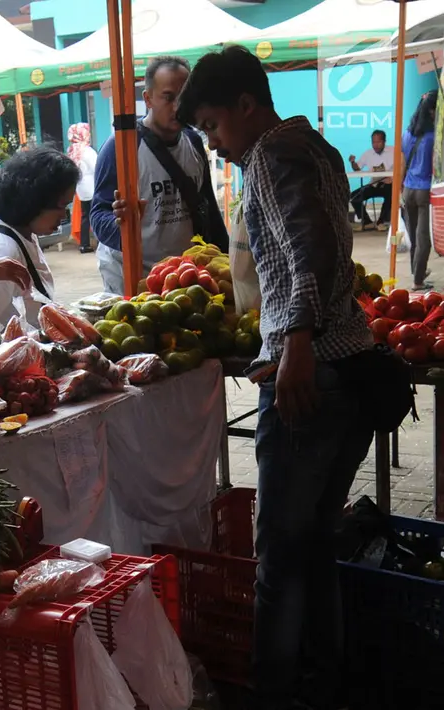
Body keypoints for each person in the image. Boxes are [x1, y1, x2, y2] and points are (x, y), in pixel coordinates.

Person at [177, 45, 378, 710]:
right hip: (350, 363)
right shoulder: (314, 144)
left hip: (310, 374)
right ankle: (327, 677)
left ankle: (273, 691)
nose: (213, 143)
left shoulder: (269, 152)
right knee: (316, 542)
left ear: (244, 105)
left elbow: (308, 249)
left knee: (278, 559)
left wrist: (293, 343)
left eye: (211, 126)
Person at [91, 55, 228, 294]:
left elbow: (206, 203)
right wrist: (120, 223)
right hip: (133, 275)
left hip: (182, 275)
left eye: (184, 97)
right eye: (168, 97)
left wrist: (226, 257)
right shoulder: (121, 147)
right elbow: (98, 212)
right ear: (148, 99)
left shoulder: (194, 141)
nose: (178, 107)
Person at [0, 146, 79, 325]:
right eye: (60, 206)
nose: (64, 215)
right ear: (34, 201)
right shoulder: (2, 247)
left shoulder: (24, 232)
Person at [402, 90, 437, 291]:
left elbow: (403, 162)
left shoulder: (407, 134)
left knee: (414, 236)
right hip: (424, 191)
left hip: (408, 189)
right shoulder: (433, 137)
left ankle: (418, 272)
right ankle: (417, 282)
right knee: (424, 238)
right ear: (432, 112)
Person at [348, 129, 393, 229]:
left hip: (389, 184)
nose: (376, 145)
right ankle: (367, 222)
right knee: (354, 197)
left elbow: (401, 166)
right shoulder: (368, 153)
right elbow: (357, 168)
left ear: (384, 142)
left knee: (391, 195)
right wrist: (352, 162)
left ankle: (381, 222)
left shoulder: (393, 151)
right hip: (374, 184)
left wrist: (393, 179)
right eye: (373, 142)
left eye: (378, 142)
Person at [68, 122, 97, 253]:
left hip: (81, 189)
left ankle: (84, 244)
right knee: (96, 215)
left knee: (85, 217)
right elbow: (97, 168)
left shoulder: (72, 151)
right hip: (92, 187)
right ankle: (101, 241)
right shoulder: (87, 151)